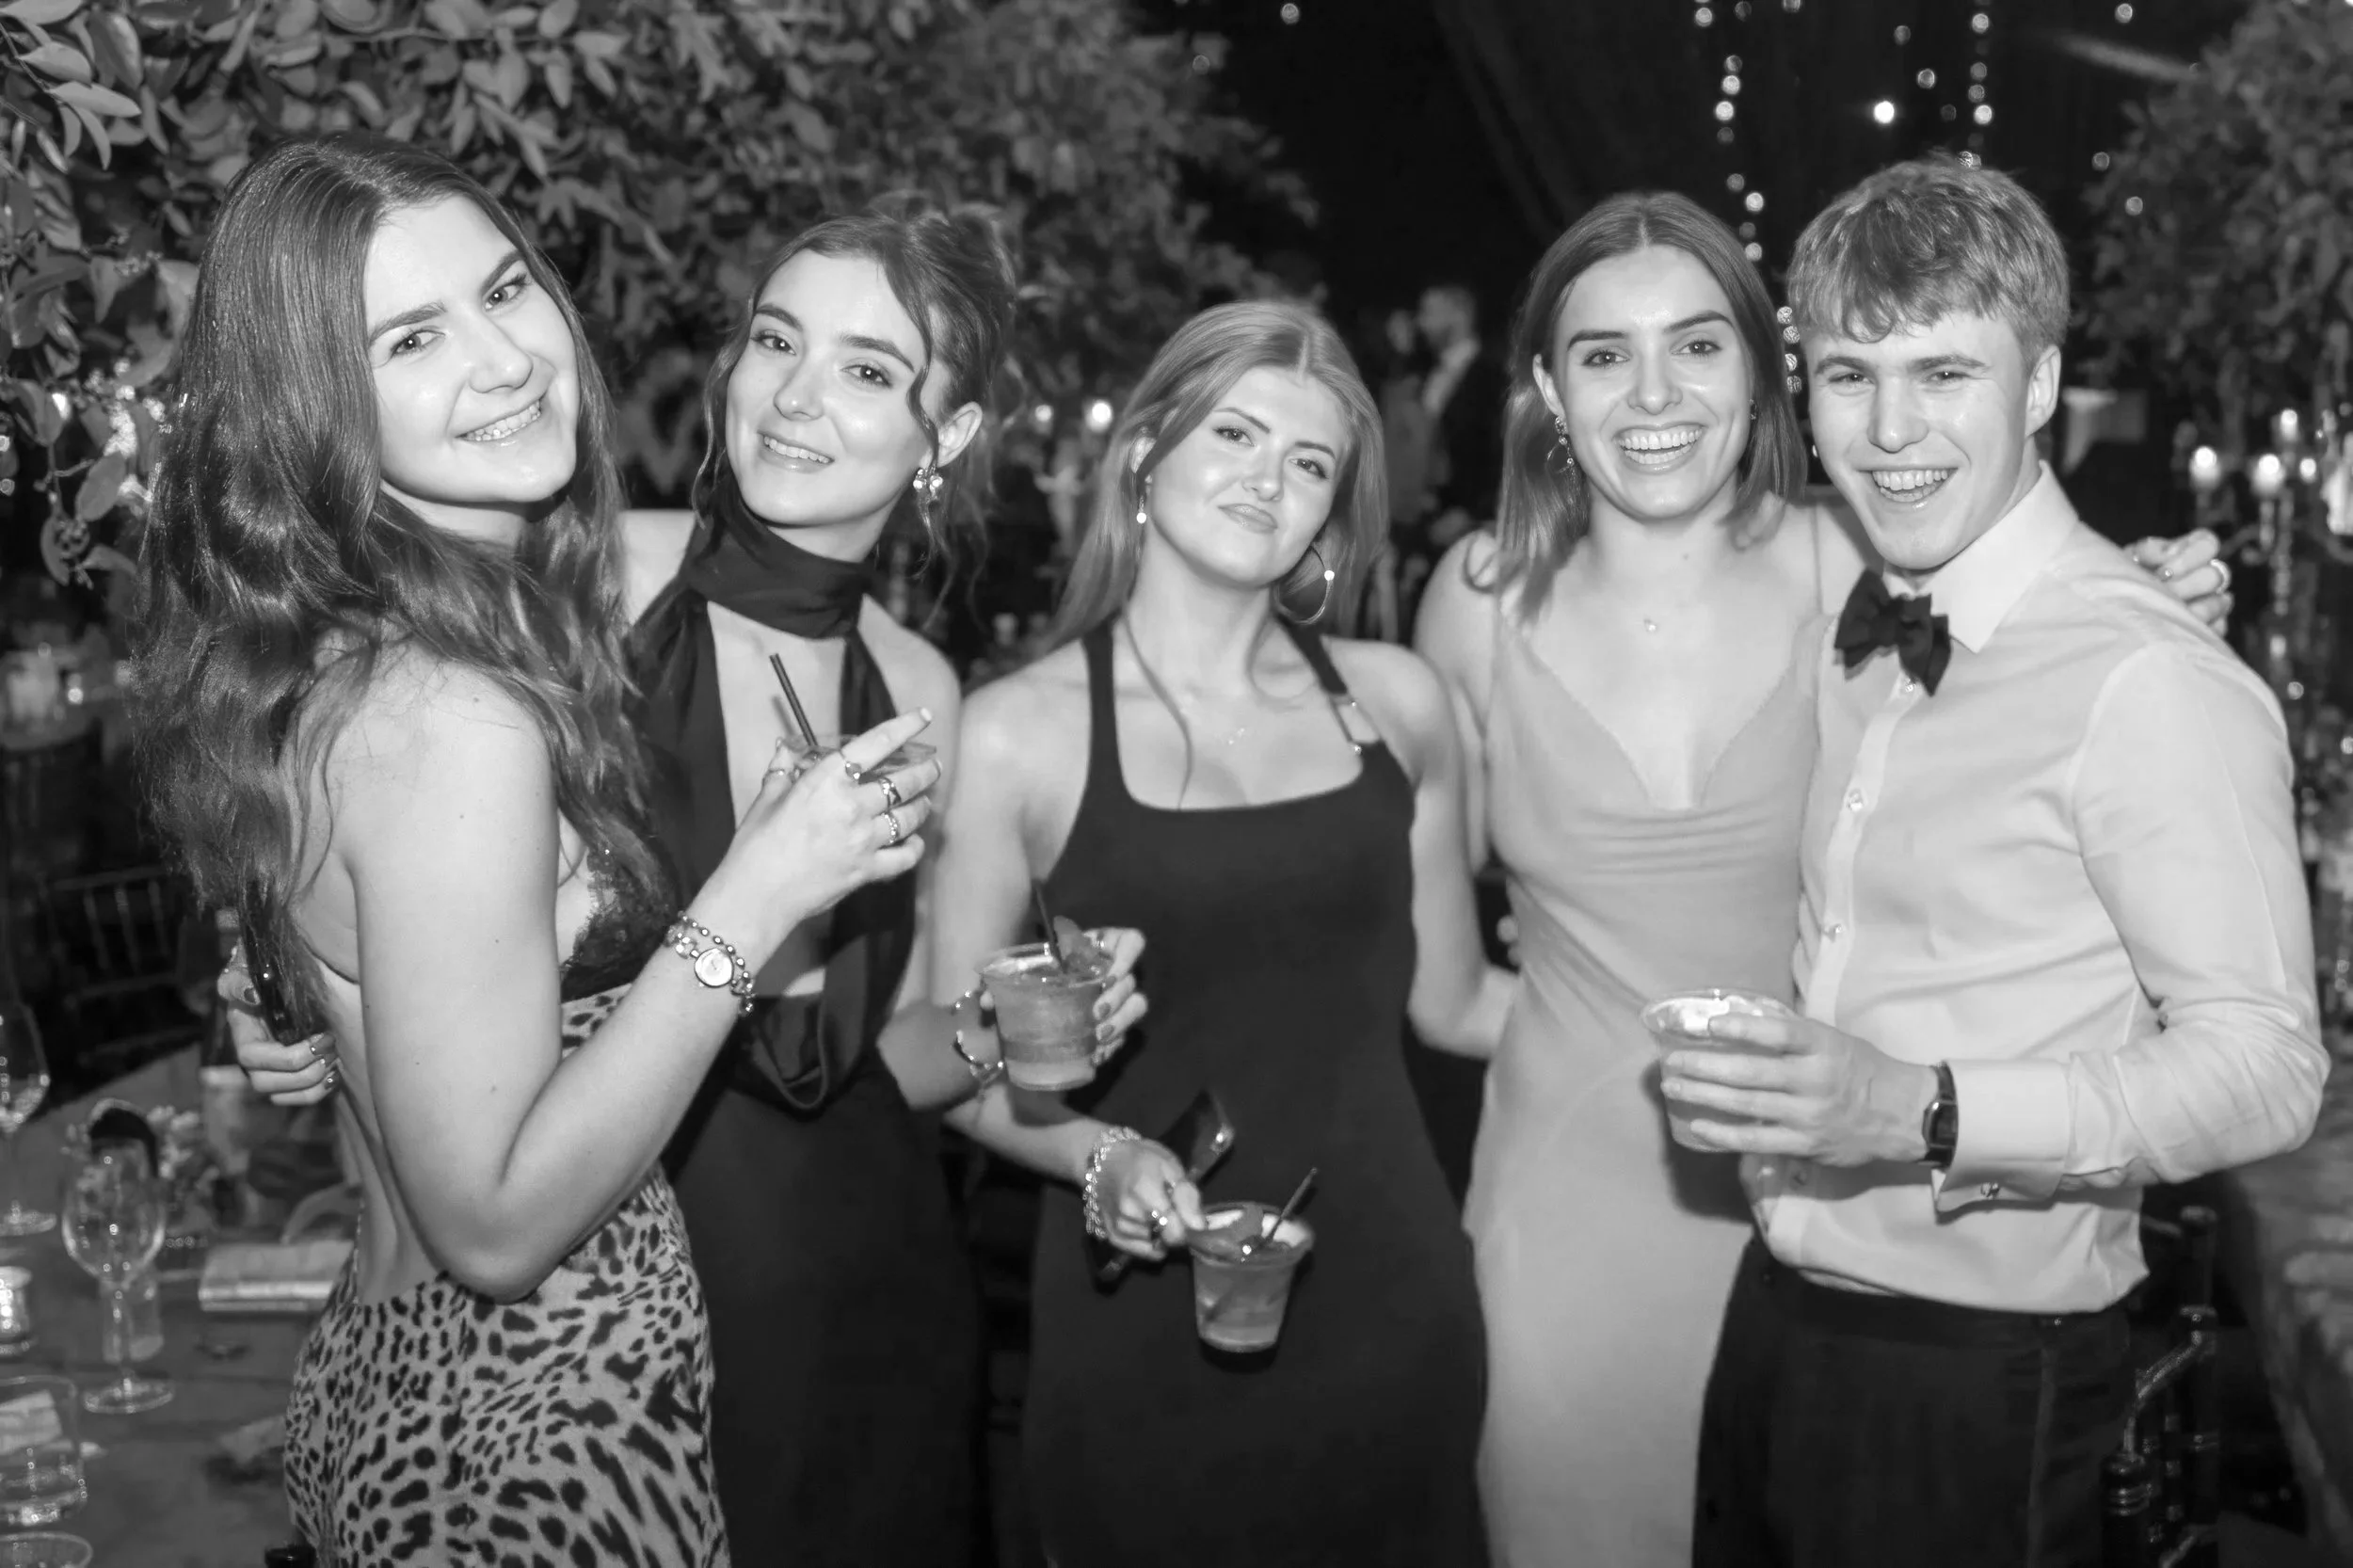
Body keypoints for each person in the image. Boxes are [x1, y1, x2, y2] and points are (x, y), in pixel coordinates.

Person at [229, 190, 1149, 1565]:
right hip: (592, 1317)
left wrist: (1002, 1023)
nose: (796, 396)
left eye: (868, 370)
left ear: (944, 437)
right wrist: (271, 980)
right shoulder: (580, 578)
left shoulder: (924, 690)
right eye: (777, 341)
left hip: (859, 1289)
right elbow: (348, 815)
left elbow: (837, 1064)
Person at [144, 135, 939, 1564]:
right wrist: (754, 892)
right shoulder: (453, 710)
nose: (506, 358)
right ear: (316, 403)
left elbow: (363, 943)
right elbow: (500, 1225)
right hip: (525, 1431)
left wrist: (277, 998)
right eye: (413, 337)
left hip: (404, 1378)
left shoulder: (377, 649)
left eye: (505, 290)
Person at [1413, 190, 2233, 1568]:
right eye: (1604, 354)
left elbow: (2049, 664)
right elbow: (1441, 990)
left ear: (1761, 372)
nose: (1655, 392)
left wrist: (2155, 585)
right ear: (1549, 389)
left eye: (1699, 345)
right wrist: (1592, 1034)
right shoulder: (1476, 598)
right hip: (1566, 1205)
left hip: (1851, 1208)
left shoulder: (1855, 559)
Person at [1670, 155, 2327, 1568]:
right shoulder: (1862, 624)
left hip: (1991, 1382)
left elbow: (2270, 1065)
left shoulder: (2146, 674)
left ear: (2038, 386)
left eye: (1944, 373)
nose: (1890, 427)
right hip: (1780, 1326)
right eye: (1850, 375)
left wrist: (1927, 1112)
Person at [932, 299, 1512, 1568]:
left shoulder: (1396, 703)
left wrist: (1673, 1001)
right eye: (1236, 433)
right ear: (1146, 449)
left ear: (1332, 511)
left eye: (1309, 463)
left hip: (1390, 1293)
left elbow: (1460, 1001)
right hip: (1142, 1314)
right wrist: (1098, 1154)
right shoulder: (1018, 734)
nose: (1269, 480)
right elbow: (930, 1055)